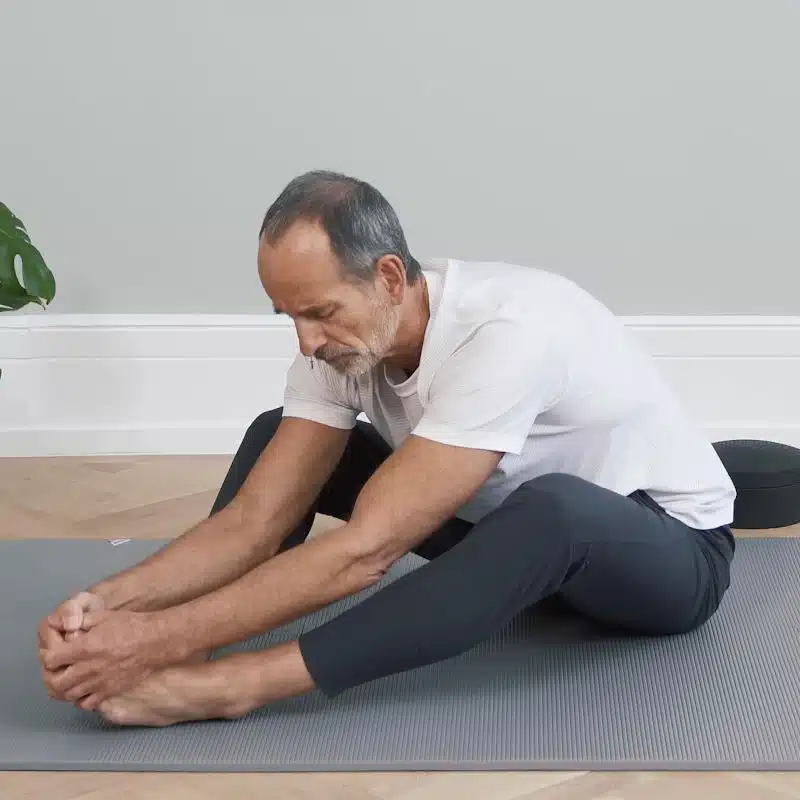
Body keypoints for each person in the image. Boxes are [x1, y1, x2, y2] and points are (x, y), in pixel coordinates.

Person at [37, 170, 737, 727]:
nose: (305, 342)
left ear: (391, 278)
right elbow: (255, 520)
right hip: (508, 547)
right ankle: (180, 639)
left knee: (552, 510)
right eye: (289, 316)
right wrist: (112, 607)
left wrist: (157, 646)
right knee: (273, 433)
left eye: (320, 312)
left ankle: (235, 683)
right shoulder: (338, 347)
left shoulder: (509, 333)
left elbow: (365, 552)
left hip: (668, 558)